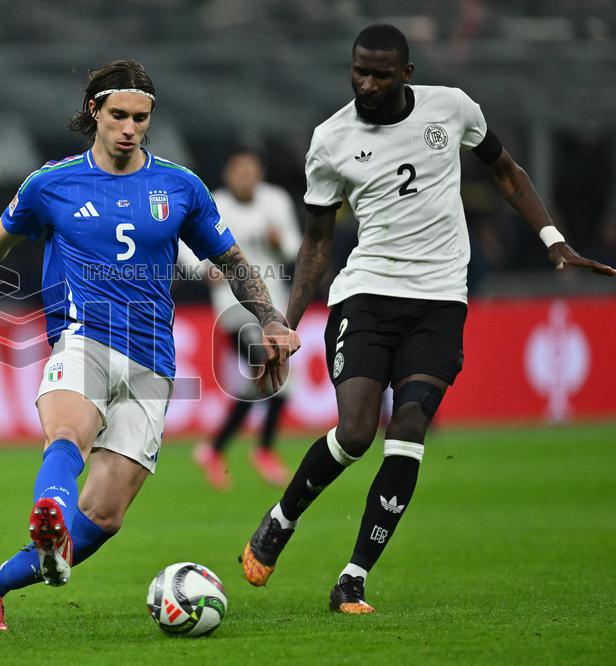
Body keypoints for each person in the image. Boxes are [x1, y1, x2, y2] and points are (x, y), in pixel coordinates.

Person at [0, 59, 299, 632]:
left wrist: (269, 318)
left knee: (102, 517)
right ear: (95, 112)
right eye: (118, 114)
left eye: (140, 118)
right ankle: (47, 512)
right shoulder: (52, 183)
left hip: (153, 362)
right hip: (83, 338)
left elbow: (231, 260)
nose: (129, 127)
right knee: (68, 432)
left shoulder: (180, 186)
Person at [240, 24, 615, 615]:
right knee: (358, 432)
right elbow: (317, 240)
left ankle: (353, 578)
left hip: (440, 300)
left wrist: (553, 240)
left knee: (409, 427)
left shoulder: (452, 108)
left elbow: (507, 170)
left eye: (380, 74)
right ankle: (282, 519)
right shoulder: (331, 139)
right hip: (366, 294)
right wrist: (286, 324)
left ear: (406, 74)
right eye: (358, 71)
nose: (366, 83)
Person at [185, 147, 303, 489]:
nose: (245, 178)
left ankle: (214, 449)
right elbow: (185, 249)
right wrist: (204, 269)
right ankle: (264, 450)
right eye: (239, 172)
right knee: (272, 367)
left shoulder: (276, 201)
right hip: (232, 309)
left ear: (260, 174)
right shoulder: (214, 203)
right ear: (228, 175)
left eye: (251, 172)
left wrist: (280, 242)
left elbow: (295, 248)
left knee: (259, 383)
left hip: (274, 309)